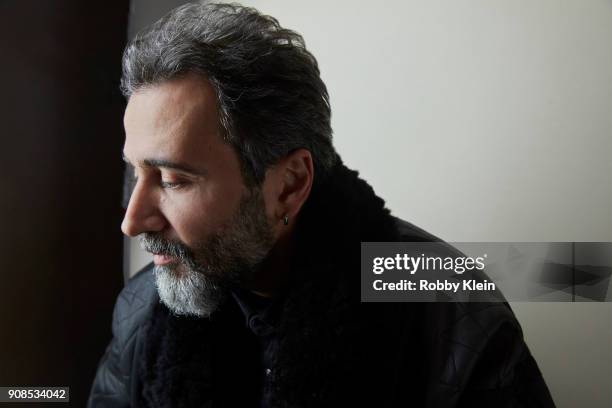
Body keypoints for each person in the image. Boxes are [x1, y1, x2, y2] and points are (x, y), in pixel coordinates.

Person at [88, 2, 555, 407]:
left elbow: (578, 274)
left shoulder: (448, 305)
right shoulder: (142, 307)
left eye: (173, 180)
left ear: (289, 184)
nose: (133, 221)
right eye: (136, 172)